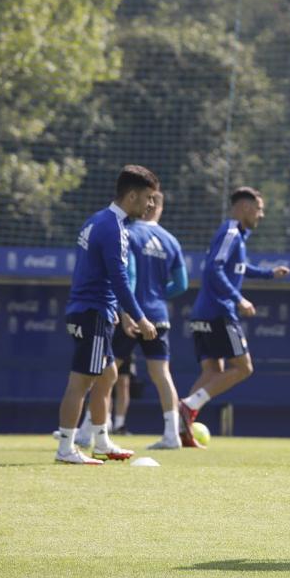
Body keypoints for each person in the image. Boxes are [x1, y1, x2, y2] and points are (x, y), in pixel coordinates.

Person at [55, 166, 160, 465]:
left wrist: (121, 314)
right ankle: (65, 448)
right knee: (81, 382)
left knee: (109, 375)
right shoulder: (113, 227)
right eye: (149, 198)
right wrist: (140, 317)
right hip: (92, 313)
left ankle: (101, 442)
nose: (151, 205)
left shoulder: (99, 219)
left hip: (95, 310)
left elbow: (97, 273)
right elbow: (118, 279)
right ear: (131, 195)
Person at [77, 191, 189, 449]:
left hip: (132, 315)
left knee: (102, 373)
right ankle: (172, 435)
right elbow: (181, 284)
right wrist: (159, 295)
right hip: (159, 314)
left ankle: (85, 431)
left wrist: (129, 311)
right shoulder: (171, 240)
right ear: (160, 209)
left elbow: (130, 276)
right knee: (162, 374)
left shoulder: (128, 232)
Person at [178, 187, 289, 446]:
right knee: (243, 367)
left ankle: (180, 430)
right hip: (219, 312)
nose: (261, 215)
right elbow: (214, 269)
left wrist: (269, 273)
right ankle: (188, 405)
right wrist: (239, 298)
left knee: (213, 371)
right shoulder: (230, 232)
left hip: (203, 312)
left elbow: (240, 268)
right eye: (259, 209)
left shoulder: (237, 236)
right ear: (246, 207)